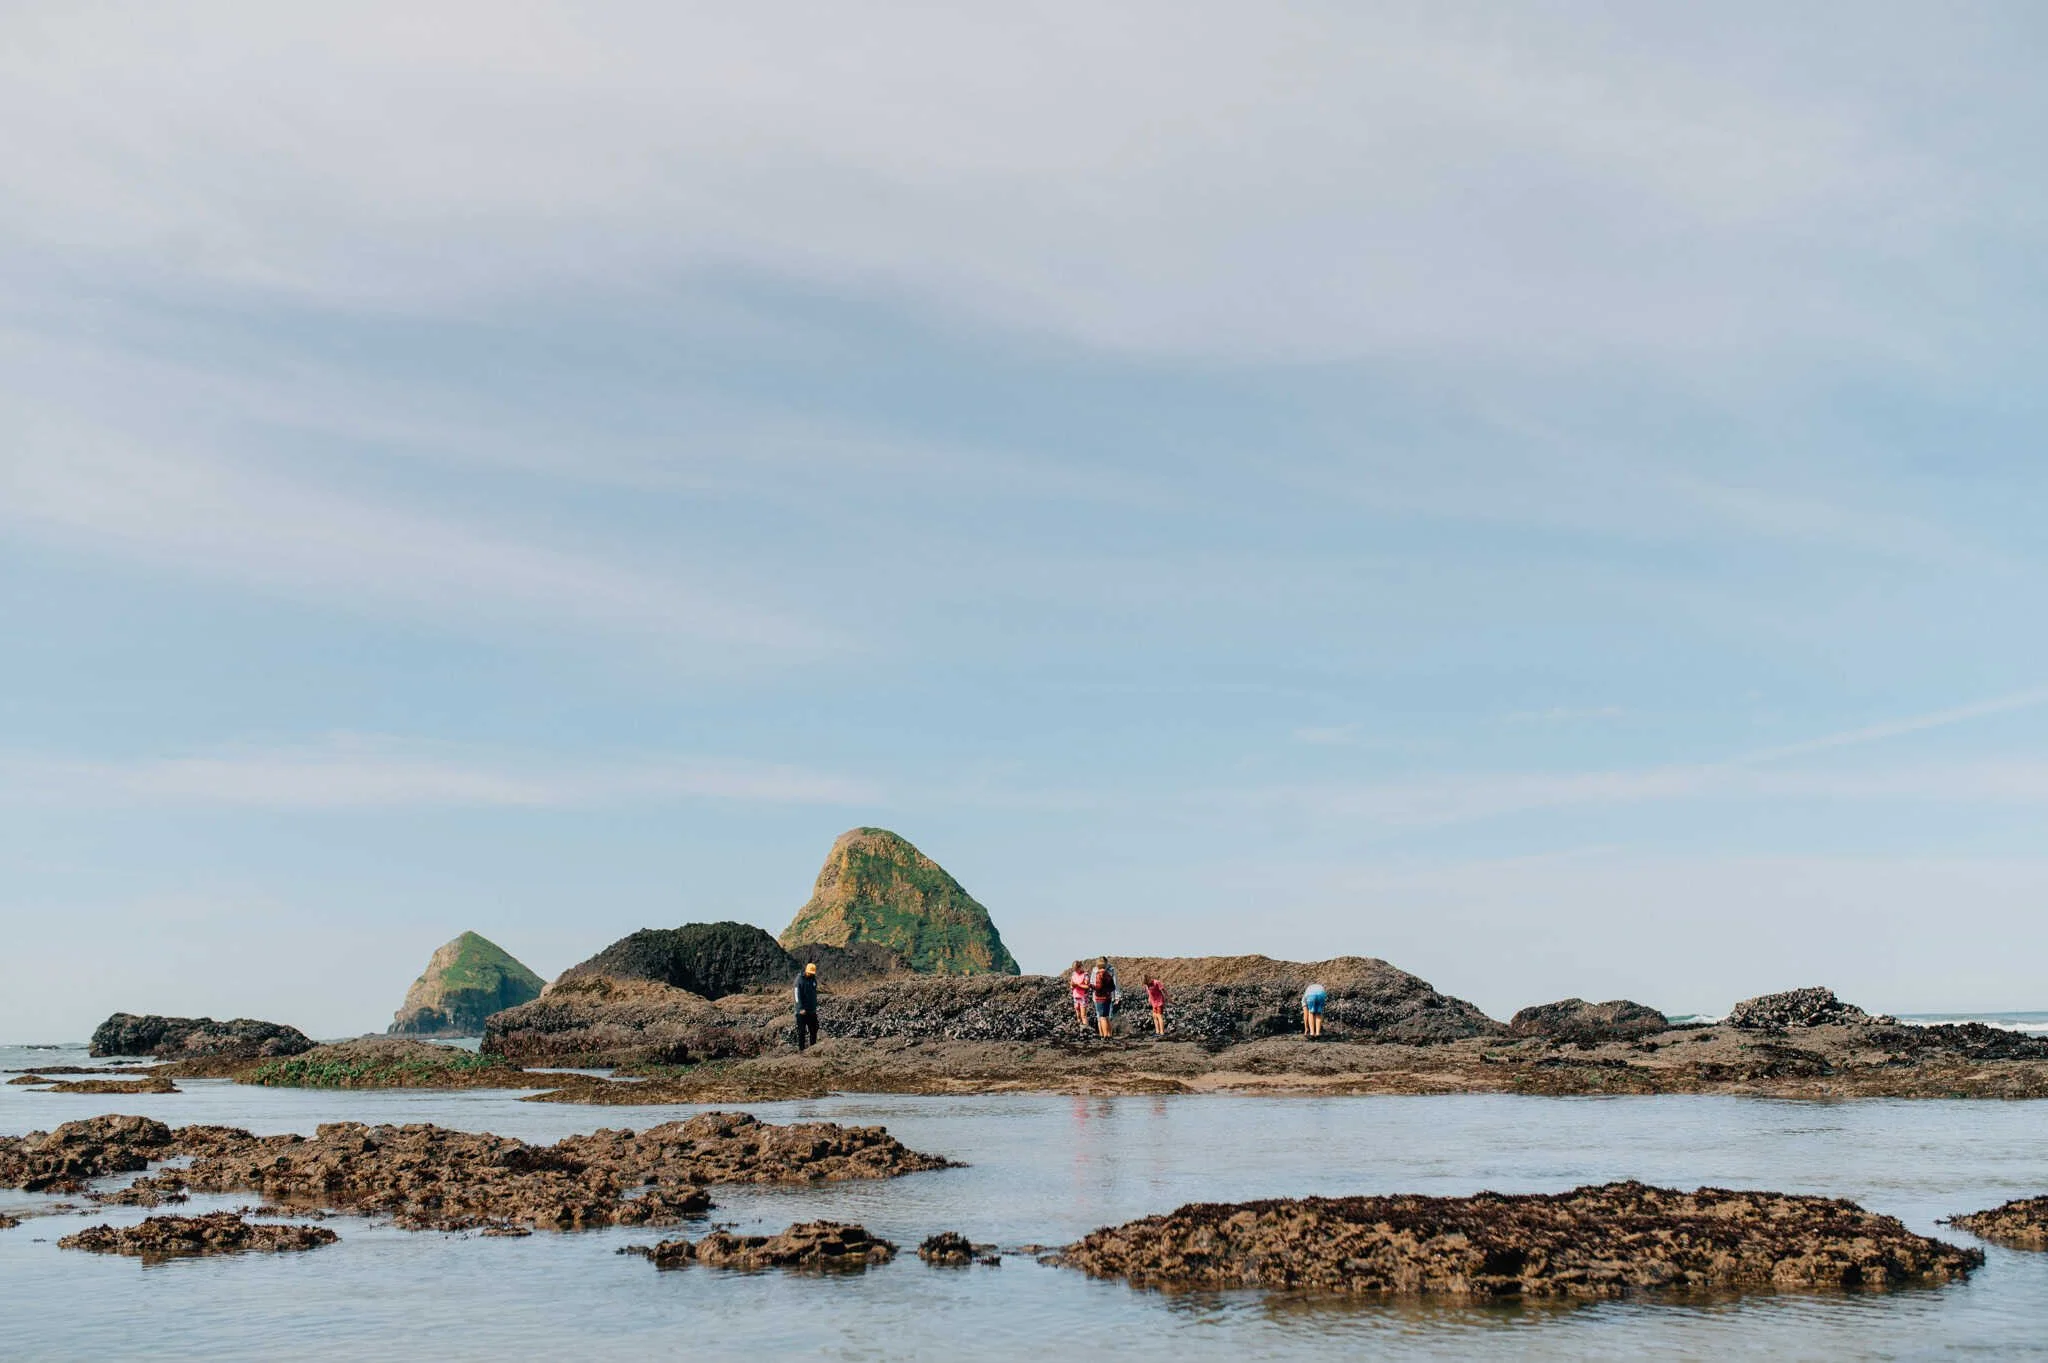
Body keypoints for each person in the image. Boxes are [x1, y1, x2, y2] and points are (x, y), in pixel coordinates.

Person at [794, 961, 820, 1051]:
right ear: (806, 971)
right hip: (802, 1012)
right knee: (802, 1032)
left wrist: (814, 1006)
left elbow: (814, 992)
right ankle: (801, 1050)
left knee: (814, 1030)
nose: (811, 974)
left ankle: (813, 1049)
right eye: (810, 973)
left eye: (812, 973)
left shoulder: (813, 979)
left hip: (811, 1010)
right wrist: (800, 1008)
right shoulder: (799, 980)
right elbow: (797, 995)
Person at [1090, 957, 1118, 1038]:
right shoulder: (1108, 974)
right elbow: (1113, 987)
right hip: (1108, 997)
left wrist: (1090, 985)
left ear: (1098, 966)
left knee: (1102, 1017)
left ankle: (1105, 1036)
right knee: (1107, 1017)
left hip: (1100, 998)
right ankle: (1109, 1034)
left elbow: (1098, 987)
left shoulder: (1099, 974)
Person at [1068, 961, 1092, 1030]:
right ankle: (1079, 1029)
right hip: (1075, 996)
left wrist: (1078, 985)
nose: (1076, 971)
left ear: (1080, 967)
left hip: (1083, 997)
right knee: (1078, 1015)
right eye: (1074, 969)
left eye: (1076, 969)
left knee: (1083, 1015)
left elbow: (1087, 986)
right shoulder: (1073, 974)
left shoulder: (1085, 975)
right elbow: (1071, 986)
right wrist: (1072, 986)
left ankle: (1086, 1030)